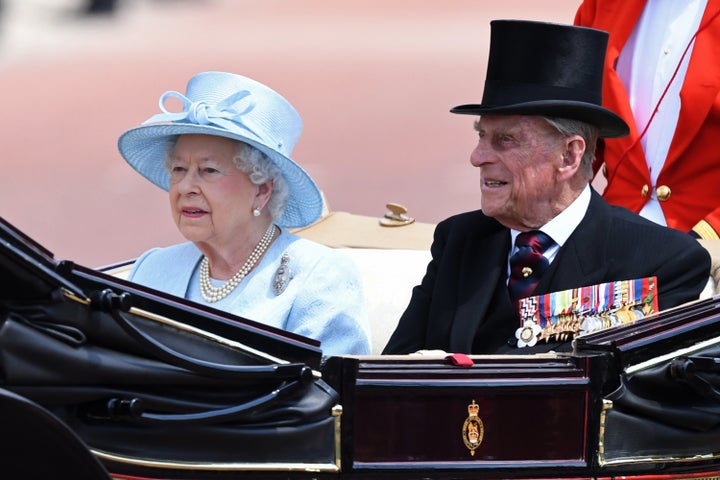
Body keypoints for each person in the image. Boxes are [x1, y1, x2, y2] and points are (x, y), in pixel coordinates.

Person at [382, 20, 711, 356]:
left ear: (569, 155)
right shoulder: (459, 239)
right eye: (481, 136)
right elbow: (387, 375)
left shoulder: (659, 261)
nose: (477, 157)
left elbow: (641, 398)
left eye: (505, 140)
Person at [118, 71, 371, 358]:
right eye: (178, 169)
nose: (186, 187)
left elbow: (325, 395)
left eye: (208, 170)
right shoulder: (151, 271)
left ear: (262, 190)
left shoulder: (319, 277)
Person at [574, 0, 720, 239]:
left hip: (707, 245)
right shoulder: (602, 5)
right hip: (611, 235)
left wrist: (712, 234)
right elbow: (575, 128)